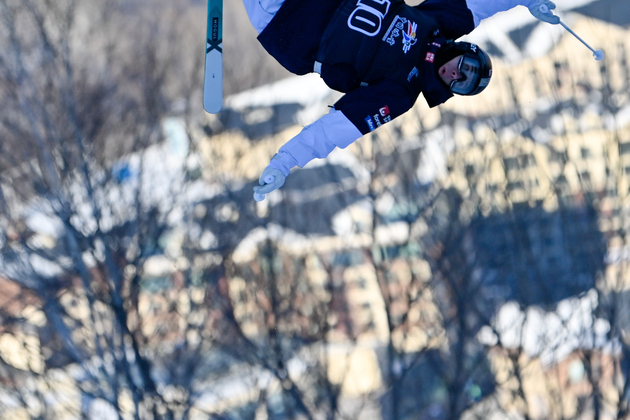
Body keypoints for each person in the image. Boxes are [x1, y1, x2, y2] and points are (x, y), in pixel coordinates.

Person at [249, 0, 560, 201]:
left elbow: (337, 128)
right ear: (464, 50)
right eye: (464, 67)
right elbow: (480, 5)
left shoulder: (399, 93)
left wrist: (286, 161)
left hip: (288, 25)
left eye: (460, 84)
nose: (455, 74)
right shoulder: (438, 23)